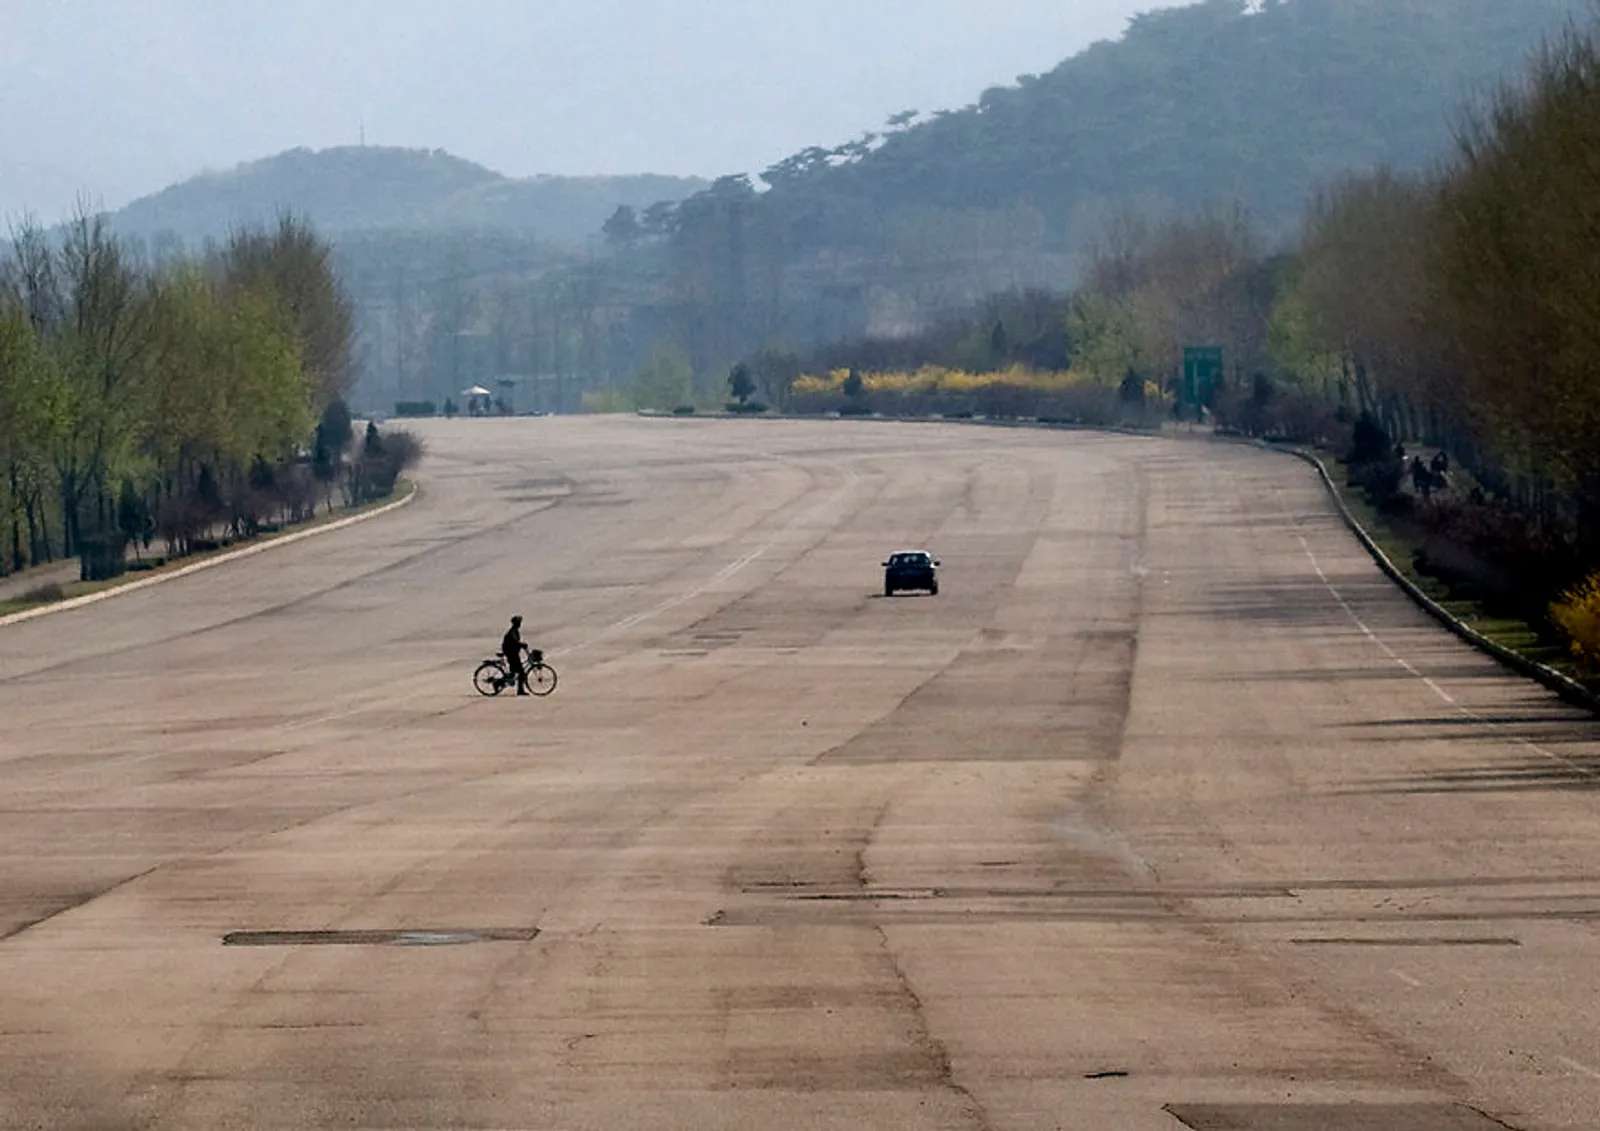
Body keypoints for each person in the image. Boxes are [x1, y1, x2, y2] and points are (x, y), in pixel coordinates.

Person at [501, 615, 530, 696]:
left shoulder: (515, 631)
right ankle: (520, 690)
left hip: (513, 653)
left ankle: (519, 689)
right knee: (521, 672)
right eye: (519, 622)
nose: (520, 624)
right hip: (511, 654)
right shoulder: (513, 632)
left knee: (515, 672)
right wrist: (522, 645)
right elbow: (514, 642)